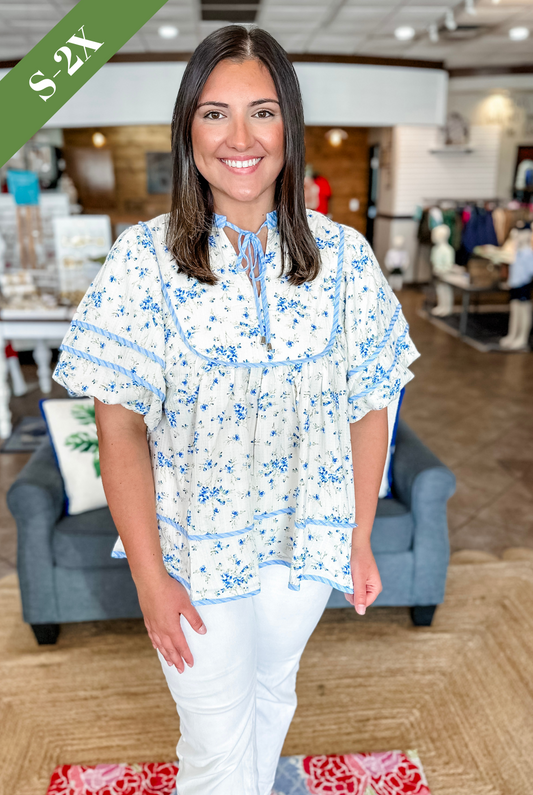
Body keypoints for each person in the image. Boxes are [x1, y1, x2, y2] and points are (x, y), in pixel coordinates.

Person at [53, 25, 420, 795]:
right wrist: (150, 580)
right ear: (188, 130)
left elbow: (368, 403)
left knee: (270, 701)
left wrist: (355, 536)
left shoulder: (345, 256)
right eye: (215, 113)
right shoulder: (140, 258)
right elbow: (115, 423)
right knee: (214, 741)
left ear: (290, 123)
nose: (241, 137)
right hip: (194, 556)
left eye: (262, 110)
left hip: (304, 547)